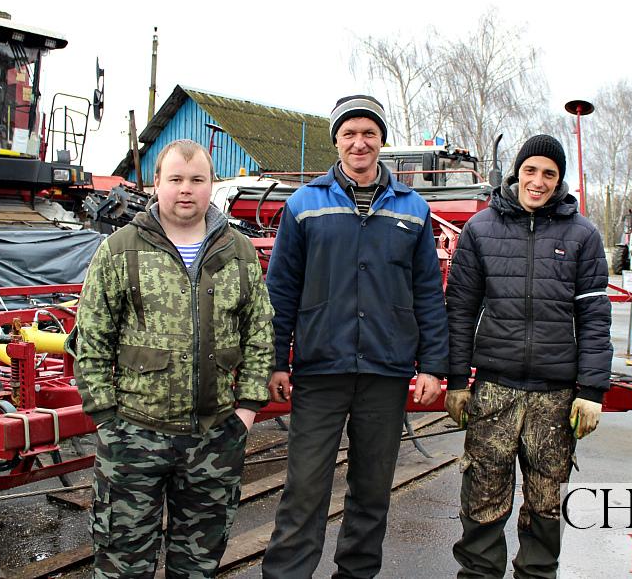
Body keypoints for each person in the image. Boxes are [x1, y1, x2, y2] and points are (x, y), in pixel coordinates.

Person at [261, 95, 449, 578]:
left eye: (369, 133)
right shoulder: (304, 206)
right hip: (321, 368)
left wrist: (432, 365)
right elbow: (281, 289)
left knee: (371, 492)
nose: (359, 142)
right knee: (304, 490)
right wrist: (276, 361)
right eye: (350, 133)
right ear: (337, 141)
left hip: (385, 372)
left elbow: (428, 291)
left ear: (382, 140)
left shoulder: (413, 210)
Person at [73, 139, 274, 578]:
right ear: (157, 185)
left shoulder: (236, 251)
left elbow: (259, 332)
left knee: (198, 565)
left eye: (197, 180)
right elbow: (91, 337)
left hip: (214, 435)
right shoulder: (120, 249)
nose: (186, 190)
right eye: (176, 179)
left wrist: (245, 410)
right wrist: (106, 415)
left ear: (211, 186)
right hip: (134, 434)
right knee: (123, 562)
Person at [443, 134, 612, 579]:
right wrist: (457, 382)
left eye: (549, 174)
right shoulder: (481, 230)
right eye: (531, 171)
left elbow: (595, 316)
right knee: (482, 499)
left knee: (546, 506)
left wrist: (592, 390)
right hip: (494, 393)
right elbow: (459, 311)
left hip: (554, 400)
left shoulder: (582, 235)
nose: (538, 182)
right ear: (517, 172)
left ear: (559, 181)